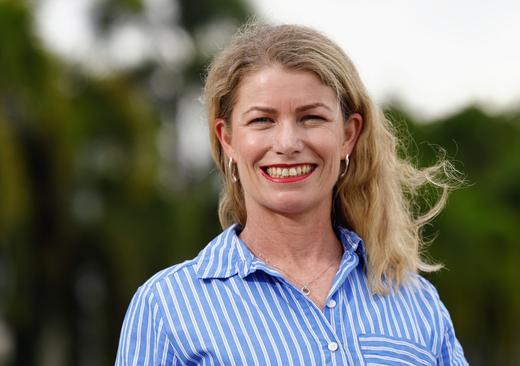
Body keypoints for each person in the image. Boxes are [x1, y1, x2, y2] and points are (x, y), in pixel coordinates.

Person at [116, 22, 468, 365]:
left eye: (311, 118)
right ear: (227, 139)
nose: (287, 144)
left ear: (348, 134)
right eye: (262, 121)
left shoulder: (416, 303)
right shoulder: (167, 307)